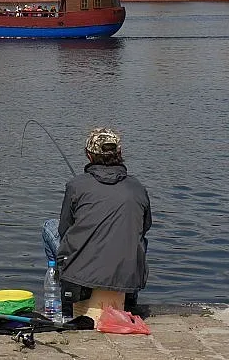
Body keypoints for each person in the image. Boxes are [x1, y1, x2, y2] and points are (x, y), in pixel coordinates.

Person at [43, 128, 151, 318]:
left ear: (89, 155)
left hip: (81, 274)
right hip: (126, 273)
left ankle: (64, 297)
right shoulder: (138, 188)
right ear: (120, 154)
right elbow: (145, 227)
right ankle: (129, 296)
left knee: (49, 226)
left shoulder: (76, 185)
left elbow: (63, 229)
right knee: (137, 238)